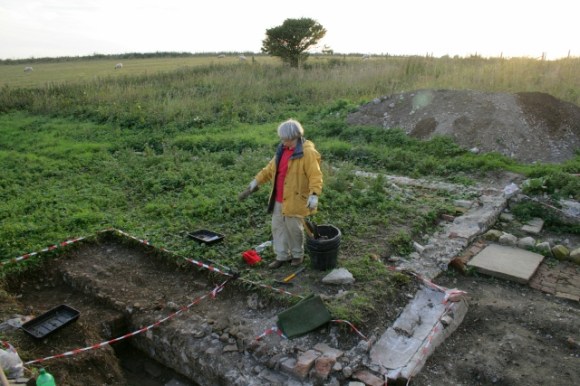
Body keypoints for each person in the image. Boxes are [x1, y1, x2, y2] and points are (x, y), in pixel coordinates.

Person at [240, 119, 323, 268]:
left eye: (285, 139)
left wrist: (314, 195)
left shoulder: (307, 153)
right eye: (282, 139)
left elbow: (315, 176)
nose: (283, 142)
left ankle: (297, 255)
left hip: (296, 199)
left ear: (294, 136)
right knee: (277, 227)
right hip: (279, 198)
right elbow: (269, 170)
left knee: (293, 228)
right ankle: (282, 256)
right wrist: (255, 182)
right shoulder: (281, 150)